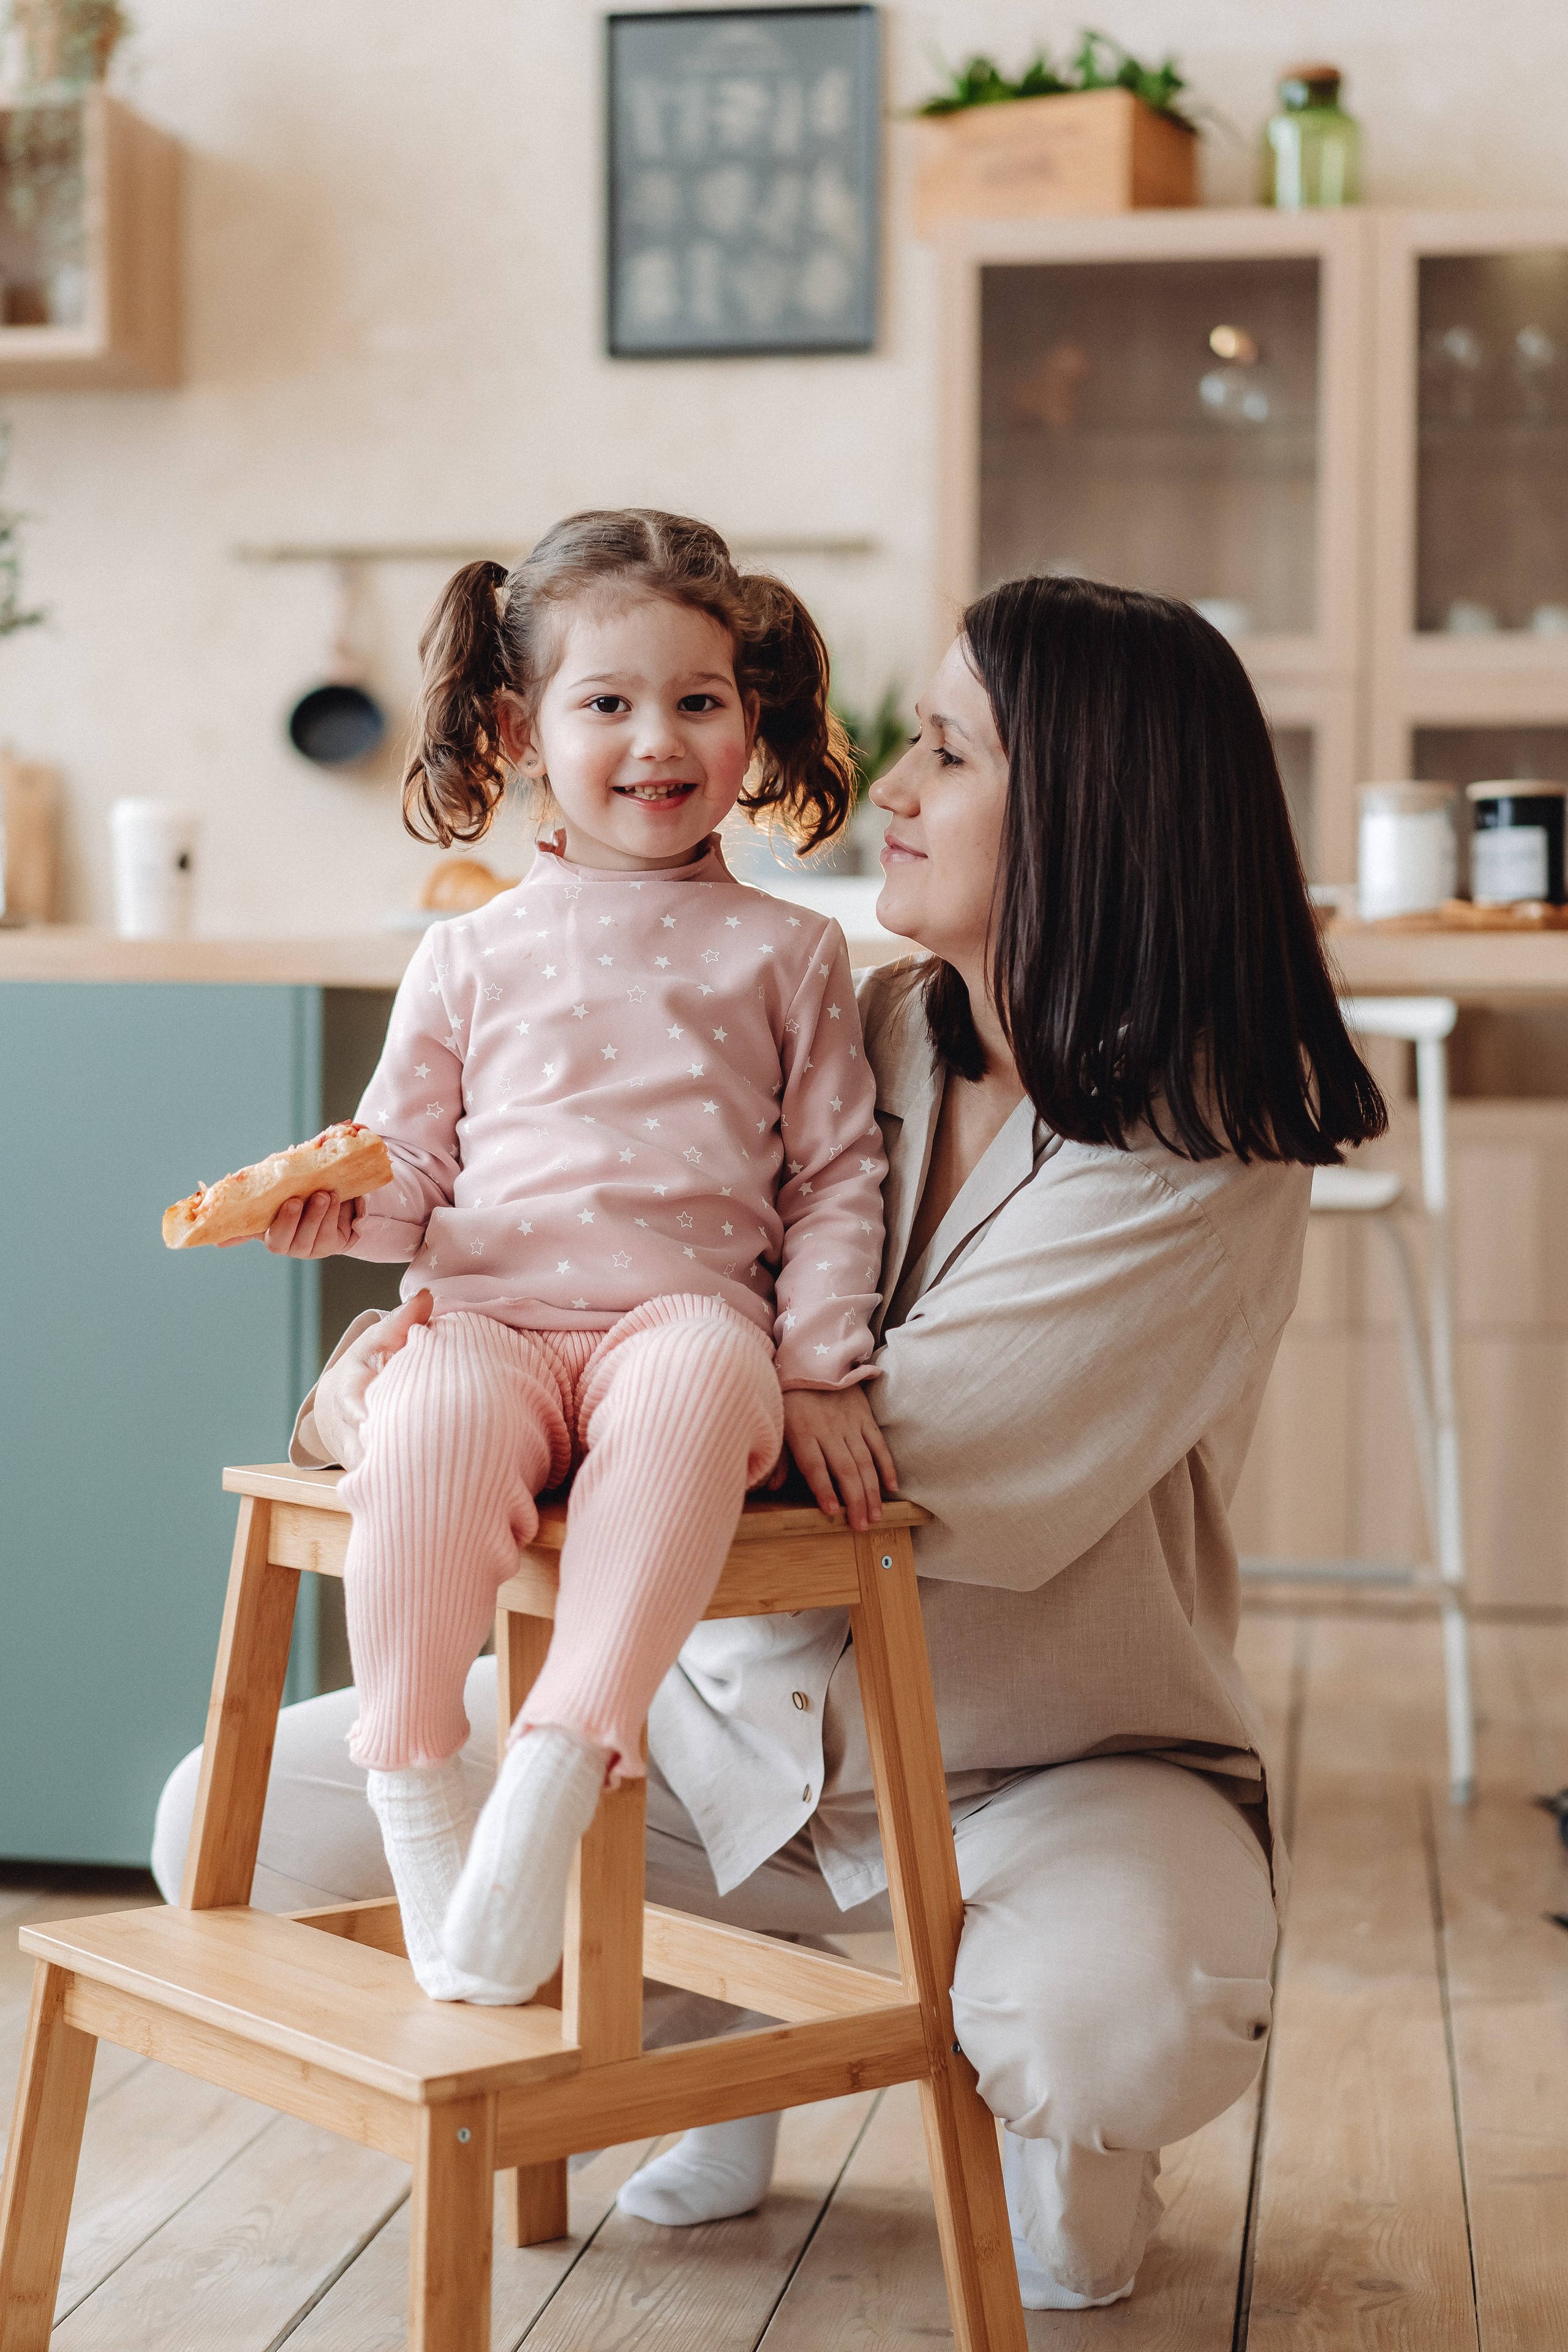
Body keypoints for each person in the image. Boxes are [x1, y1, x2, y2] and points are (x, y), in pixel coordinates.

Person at [154, 572, 1385, 2310]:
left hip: (1033, 1761)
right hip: (704, 1714)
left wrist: (534, 1374)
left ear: (1098, 812)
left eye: (947, 754)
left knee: (1114, 2035)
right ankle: (723, 1985)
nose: (887, 783)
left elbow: (926, 1457)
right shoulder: (855, 1016)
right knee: (233, 1828)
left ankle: (1042, 2107)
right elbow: (565, 1238)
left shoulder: (1205, 1143)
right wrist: (395, 1369)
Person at [239, 510, 894, 2008]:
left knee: (687, 1390)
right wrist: (349, 1212)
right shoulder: (468, 953)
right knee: (425, 1432)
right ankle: (412, 1780)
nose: (656, 740)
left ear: (750, 721)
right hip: (488, 1322)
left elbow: (837, 1177)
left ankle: (556, 1758)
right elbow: (411, 1172)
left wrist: (813, 1364)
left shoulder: (791, 953)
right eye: (608, 703)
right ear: (525, 731)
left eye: (698, 701)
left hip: (686, 1322)